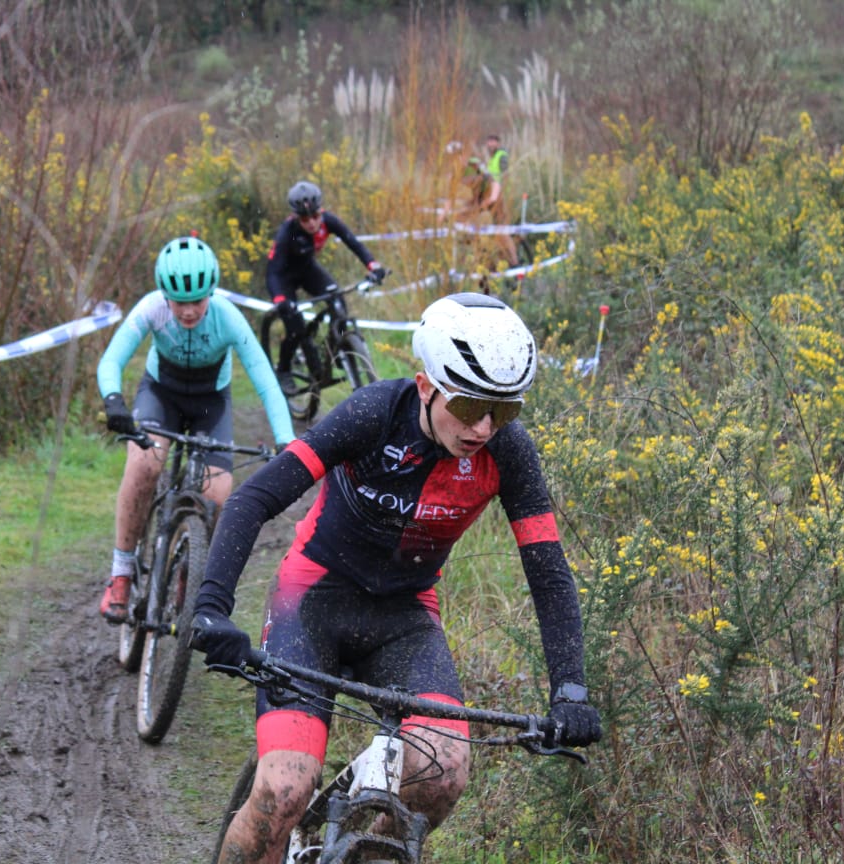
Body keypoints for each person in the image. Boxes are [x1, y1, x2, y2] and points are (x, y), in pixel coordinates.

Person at [189, 292, 602, 862]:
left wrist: (570, 690)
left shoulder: (509, 453)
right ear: (426, 385)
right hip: (313, 599)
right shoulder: (374, 414)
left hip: (404, 616)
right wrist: (211, 608)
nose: (485, 426)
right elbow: (254, 498)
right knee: (284, 790)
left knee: (444, 773)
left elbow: (549, 575)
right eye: (470, 406)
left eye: (504, 410)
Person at [96, 235, 296, 623]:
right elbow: (111, 360)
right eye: (179, 302)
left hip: (210, 403)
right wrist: (113, 400)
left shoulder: (227, 317)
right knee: (144, 465)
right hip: (161, 395)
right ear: (164, 296)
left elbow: (265, 379)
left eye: (198, 301)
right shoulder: (151, 309)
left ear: (211, 293)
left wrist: (286, 439)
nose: (188, 311)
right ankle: (121, 574)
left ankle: (191, 575)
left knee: (217, 494)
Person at [266, 180, 387, 394]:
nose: (312, 223)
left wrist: (373, 266)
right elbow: (273, 271)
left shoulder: (328, 220)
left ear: (320, 211)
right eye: (305, 219)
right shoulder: (287, 232)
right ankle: (284, 370)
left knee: (337, 299)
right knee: (295, 327)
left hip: (308, 270)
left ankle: (342, 346)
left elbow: (353, 243)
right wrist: (280, 300)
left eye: (315, 216)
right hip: (284, 277)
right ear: (296, 217)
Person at [451, 134, 519, 268]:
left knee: (501, 231)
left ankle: (515, 264)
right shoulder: (484, 161)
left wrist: (493, 197)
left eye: (493, 142)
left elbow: (498, 178)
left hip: (497, 196)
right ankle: (477, 256)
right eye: (489, 142)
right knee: (464, 220)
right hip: (484, 197)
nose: (490, 145)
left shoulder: (497, 157)